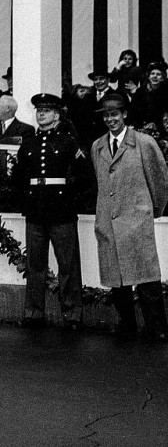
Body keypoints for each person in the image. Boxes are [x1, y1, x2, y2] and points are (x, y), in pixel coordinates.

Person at [91, 93, 168, 341]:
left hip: (136, 219)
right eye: (106, 115)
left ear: (125, 114)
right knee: (117, 278)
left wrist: (151, 209)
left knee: (146, 277)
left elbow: (159, 180)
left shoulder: (144, 143)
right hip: (109, 221)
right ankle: (128, 325)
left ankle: (157, 328)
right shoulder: (97, 146)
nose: (110, 119)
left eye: (114, 114)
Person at [11, 93, 87, 329]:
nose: (41, 113)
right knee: (35, 265)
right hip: (35, 210)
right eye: (38, 110)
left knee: (68, 265)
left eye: (46, 110)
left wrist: (69, 198)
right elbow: (19, 177)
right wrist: (25, 200)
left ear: (56, 115)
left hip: (61, 210)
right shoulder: (29, 144)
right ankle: (33, 313)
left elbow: (83, 176)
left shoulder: (68, 142)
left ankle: (72, 314)